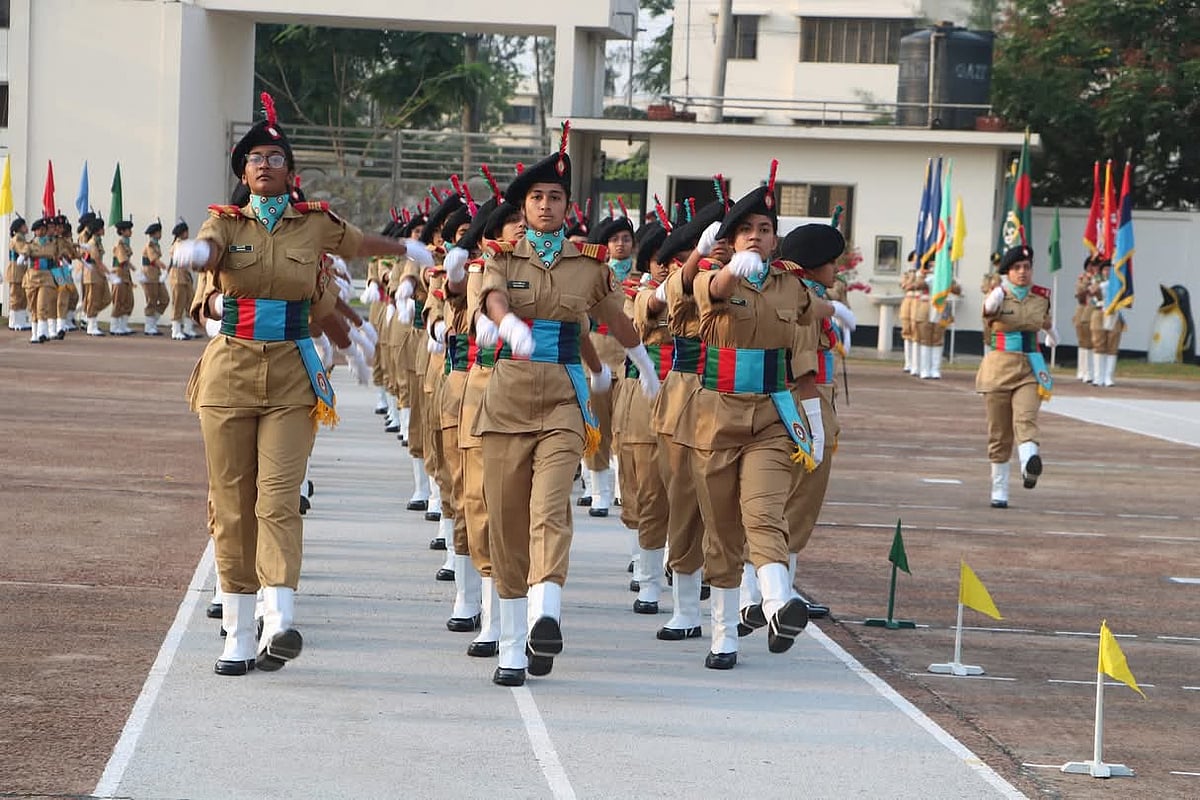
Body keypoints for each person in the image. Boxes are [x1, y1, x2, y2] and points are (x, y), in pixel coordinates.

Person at [176, 92, 410, 676]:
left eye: (274, 158)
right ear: (243, 173)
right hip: (229, 374)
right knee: (233, 504)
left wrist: (410, 249)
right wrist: (194, 253)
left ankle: (279, 618)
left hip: (290, 376)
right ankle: (238, 631)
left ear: (290, 171)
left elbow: (357, 245)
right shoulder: (225, 224)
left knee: (278, 498)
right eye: (254, 158)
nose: (264, 164)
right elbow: (209, 254)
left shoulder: (313, 225)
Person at [473, 127, 661, 687]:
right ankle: (512, 644)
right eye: (537, 197)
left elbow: (616, 317)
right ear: (524, 207)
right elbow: (491, 295)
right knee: (506, 522)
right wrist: (506, 322)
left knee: (550, 507)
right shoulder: (501, 255)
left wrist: (643, 363)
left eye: (556, 197)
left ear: (568, 205)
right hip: (506, 400)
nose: (546, 205)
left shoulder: (588, 263)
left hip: (562, 399)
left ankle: (546, 613)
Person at [672, 168, 832, 670]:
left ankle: (779, 602)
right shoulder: (713, 277)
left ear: (776, 239)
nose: (757, 237)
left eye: (765, 229)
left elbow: (812, 309)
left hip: (771, 415)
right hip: (716, 417)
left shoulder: (789, 285)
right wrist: (730, 266)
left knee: (764, 513)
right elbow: (713, 290)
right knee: (721, 530)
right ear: (731, 239)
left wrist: (836, 312)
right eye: (747, 230)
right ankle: (724, 635)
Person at [977, 245, 1055, 509]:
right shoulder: (997, 295)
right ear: (1007, 272)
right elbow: (988, 312)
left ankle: (1028, 466)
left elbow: (1045, 321)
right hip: (999, 368)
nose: (1023, 272)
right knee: (1000, 432)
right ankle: (999, 489)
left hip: (1030, 367)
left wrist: (1052, 335)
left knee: (1025, 417)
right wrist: (997, 293)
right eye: (1017, 268)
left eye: (1027, 267)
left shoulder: (1041, 297)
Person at [1088, 260, 1124, 387]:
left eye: (1110, 269)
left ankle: (1108, 377)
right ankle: (1098, 377)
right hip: (1099, 312)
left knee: (1112, 345)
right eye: (1105, 269)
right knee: (1098, 343)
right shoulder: (1096, 281)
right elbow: (1093, 293)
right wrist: (1103, 285)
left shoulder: (1119, 283)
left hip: (1114, 313)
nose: (1107, 272)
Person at [168, 218, 199, 340]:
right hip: (178, 276)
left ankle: (188, 328)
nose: (188, 234)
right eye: (186, 232)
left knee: (190, 302)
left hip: (186, 276)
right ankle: (175, 330)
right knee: (178, 303)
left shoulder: (185, 244)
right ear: (182, 233)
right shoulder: (177, 245)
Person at [140, 220, 170, 336]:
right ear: (154, 233)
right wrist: (165, 267)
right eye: (159, 232)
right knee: (151, 300)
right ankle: (149, 326)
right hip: (149, 275)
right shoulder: (150, 245)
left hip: (156, 274)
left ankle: (153, 322)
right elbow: (154, 260)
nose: (160, 234)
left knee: (165, 299)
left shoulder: (156, 244)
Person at [109, 219, 136, 335]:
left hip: (125, 273)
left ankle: (123, 325)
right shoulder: (120, 245)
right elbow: (123, 260)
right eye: (128, 230)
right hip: (119, 273)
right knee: (118, 300)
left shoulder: (126, 244)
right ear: (122, 231)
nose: (131, 232)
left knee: (128, 300)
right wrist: (135, 269)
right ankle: (114, 326)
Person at [7, 215, 31, 331]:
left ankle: (20, 320)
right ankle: (15, 321)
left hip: (20, 270)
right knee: (16, 296)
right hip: (15, 270)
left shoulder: (21, 238)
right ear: (19, 227)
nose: (26, 227)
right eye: (24, 225)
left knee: (21, 296)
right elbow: (24, 249)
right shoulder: (18, 238)